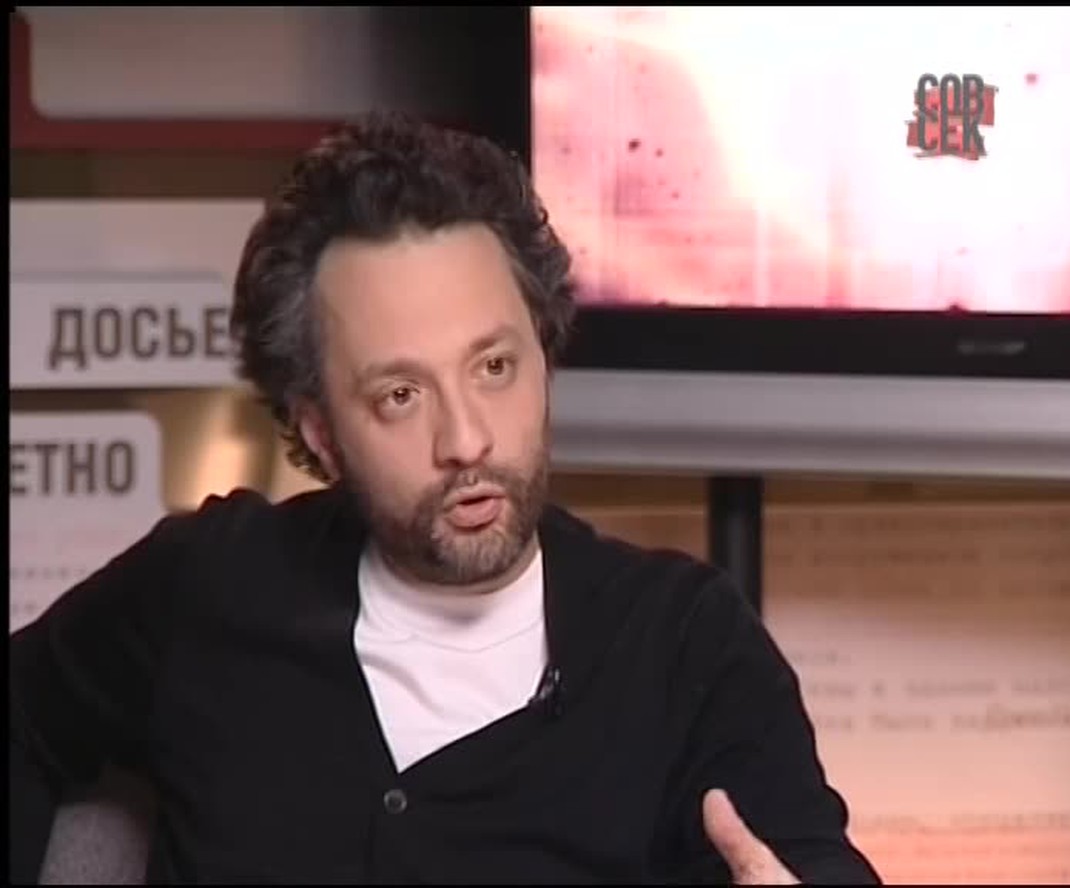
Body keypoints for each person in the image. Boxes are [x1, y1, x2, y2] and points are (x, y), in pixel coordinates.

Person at [9, 110, 880, 885]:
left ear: (544, 355)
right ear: (320, 432)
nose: (466, 439)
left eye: (494, 367)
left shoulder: (682, 642)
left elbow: (807, 856)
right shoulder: (209, 587)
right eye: (401, 395)